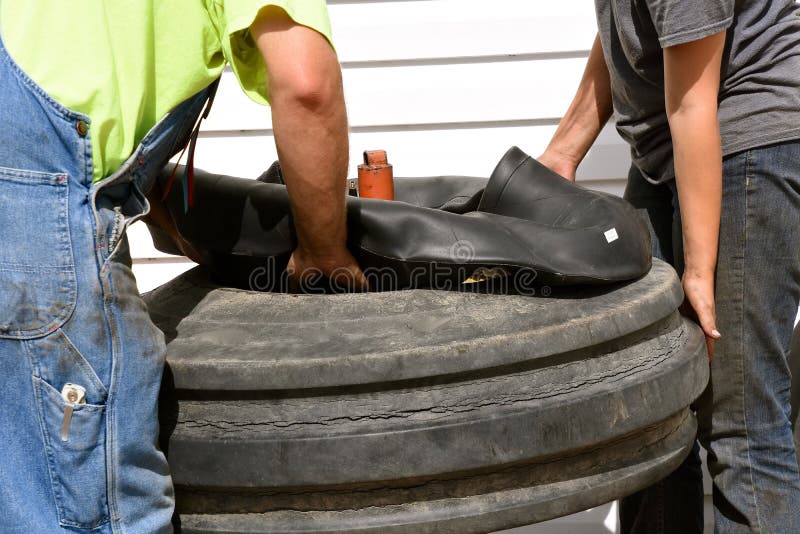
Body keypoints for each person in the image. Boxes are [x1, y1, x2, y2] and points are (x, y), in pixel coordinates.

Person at [0, 1, 365, 532]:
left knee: (25, 480)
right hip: (37, 205)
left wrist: (134, 186)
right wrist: (324, 251)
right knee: (94, 507)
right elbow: (307, 85)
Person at [538, 1, 800, 532]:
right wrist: (563, 152)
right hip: (669, 150)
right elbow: (630, 33)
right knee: (652, 405)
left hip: (745, 138)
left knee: (740, 419)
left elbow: (692, 105)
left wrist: (701, 271)